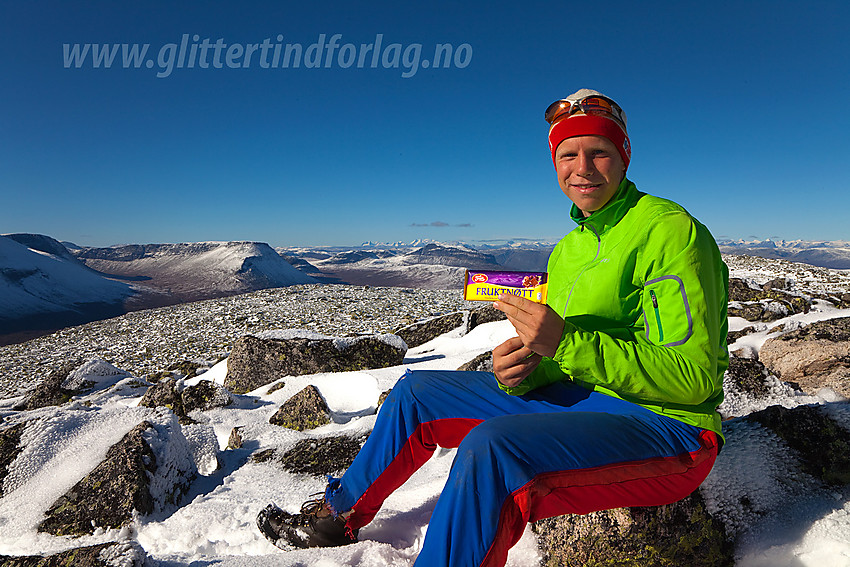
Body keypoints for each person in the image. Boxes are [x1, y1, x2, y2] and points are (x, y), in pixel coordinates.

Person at [257, 89, 729, 566]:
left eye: (598, 152)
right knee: (414, 394)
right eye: (568, 154)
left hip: (669, 429)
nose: (582, 168)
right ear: (554, 162)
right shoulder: (569, 250)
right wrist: (527, 369)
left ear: (623, 156)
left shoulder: (669, 231)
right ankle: (336, 516)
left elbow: (694, 380)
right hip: (585, 401)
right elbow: (566, 355)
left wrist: (565, 343)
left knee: (493, 449)